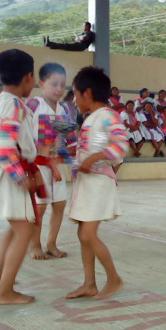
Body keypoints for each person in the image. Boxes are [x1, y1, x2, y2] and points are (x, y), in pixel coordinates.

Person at [0, 48, 39, 305]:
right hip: (9, 173)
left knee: (15, 228)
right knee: (25, 230)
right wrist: (22, 178)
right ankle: (5, 291)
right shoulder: (15, 106)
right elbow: (6, 148)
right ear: (28, 77)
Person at [65, 66, 129, 300]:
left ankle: (113, 278)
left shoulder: (108, 116)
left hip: (99, 183)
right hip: (86, 183)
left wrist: (92, 158)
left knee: (89, 234)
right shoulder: (91, 119)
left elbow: (120, 146)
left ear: (87, 93)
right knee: (83, 234)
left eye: (75, 93)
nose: (73, 99)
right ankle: (89, 283)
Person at [26, 63, 77, 260]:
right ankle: (35, 244)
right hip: (37, 165)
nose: (58, 89)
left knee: (59, 204)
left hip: (55, 165)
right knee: (40, 206)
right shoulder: (33, 106)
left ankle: (51, 244)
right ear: (41, 84)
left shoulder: (63, 109)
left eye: (62, 85)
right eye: (54, 84)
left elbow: (66, 138)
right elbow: (24, 136)